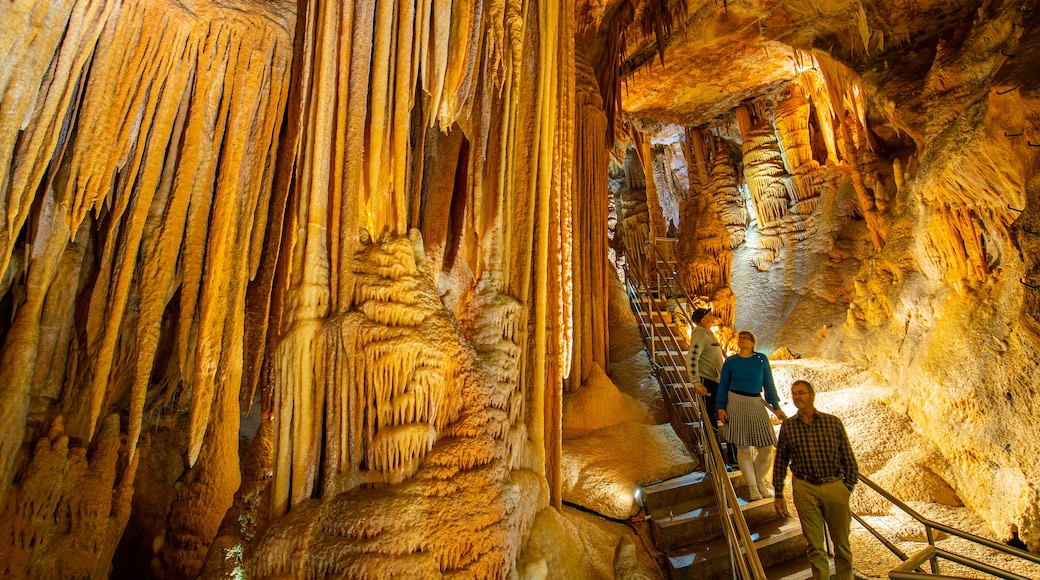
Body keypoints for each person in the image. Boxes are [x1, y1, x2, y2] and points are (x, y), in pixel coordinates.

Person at [773, 380, 859, 580]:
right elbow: (780, 462)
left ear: (812, 395)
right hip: (805, 487)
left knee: (842, 543)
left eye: (801, 393)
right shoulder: (789, 426)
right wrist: (778, 493)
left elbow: (847, 457)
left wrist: (846, 486)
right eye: (794, 394)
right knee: (814, 544)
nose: (797, 397)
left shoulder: (832, 422)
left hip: (834, 485)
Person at [717, 330, 786, 500]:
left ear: (753, 342)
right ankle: (753, 487)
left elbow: (769, 384)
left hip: (755, 402)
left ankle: (760, 480)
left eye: (746, 338)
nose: (742, 340)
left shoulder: (761, 359)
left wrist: (775, 406)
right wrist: (721, 406)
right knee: (744, 448)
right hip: (735, 402)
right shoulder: (731, 361)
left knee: (766, 447)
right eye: (741, 337)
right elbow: (723, 384)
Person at [684, 307, 735, 465]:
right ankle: (716, 459)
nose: (713, 316)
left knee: (724, 416)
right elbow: (692, 357)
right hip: (707, 382)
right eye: (709, 315)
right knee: (711, 420)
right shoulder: (699, 334)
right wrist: (696, 382)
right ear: (703, 319)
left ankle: (732, 458)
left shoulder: (707, 334)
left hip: (717, 382)